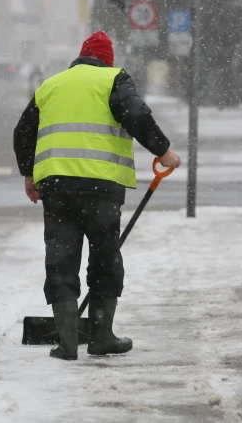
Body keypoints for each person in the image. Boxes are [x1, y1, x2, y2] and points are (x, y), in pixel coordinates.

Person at [13, 31, 181, 361]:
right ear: (108, 60)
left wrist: (29, 175)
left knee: (61, 260)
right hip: (101, 190)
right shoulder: (113, 79)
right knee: (104, 259)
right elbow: (136, 116)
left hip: (57, 188)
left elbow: (23, 132)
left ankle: (67, 343)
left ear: (80, 57)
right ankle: (102, 336)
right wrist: (163, 150)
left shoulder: (51, 85)